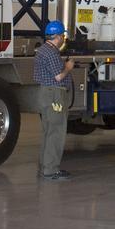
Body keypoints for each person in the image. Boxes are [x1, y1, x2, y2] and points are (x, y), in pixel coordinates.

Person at [34, 20, 75, 181]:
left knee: (48, 131)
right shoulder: (51, 53)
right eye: (62, 36)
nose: (63, 39)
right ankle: (51, 170)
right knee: (56, 132)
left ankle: (45, 167)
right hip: (54, 95)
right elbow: (58, 76)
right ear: (57, 36)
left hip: (45, 93)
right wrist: (68, 67)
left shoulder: (42, 50)